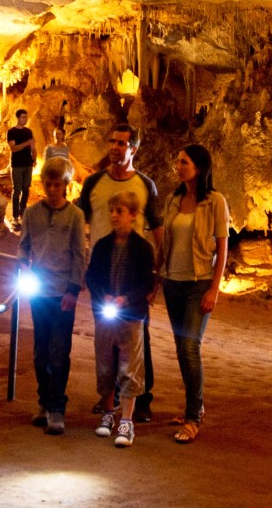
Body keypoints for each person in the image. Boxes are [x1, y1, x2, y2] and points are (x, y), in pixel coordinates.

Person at [77, 123, 163, 423]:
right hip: (103, 272)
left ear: (134, 149)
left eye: (122, 143)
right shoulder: (94, 184)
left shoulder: (145, 185)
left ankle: (141, 399)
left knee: (139, 341)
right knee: (105, 340)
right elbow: (80, 221)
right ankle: (109, 400)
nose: (114, 147)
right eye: (112, 142)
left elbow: (158, 226)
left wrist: (157, 276)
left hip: (133, 274)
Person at [157, 144, 231, 443]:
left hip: (199, 282)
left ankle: (192, 417)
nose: (178, 166)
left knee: (190, 347)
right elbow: (165, 243)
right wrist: (155, 275)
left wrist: (215, 287)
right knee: (180, 347)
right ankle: (193, 406)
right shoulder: (174, 200)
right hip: (172, 281)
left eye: (184, 162)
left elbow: (223, 247)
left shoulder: (215, 201)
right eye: (177, 161)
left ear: (199, 168)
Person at [18, 157, 85, 435]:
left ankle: (57, 407)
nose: (53, 189)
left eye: (58, 185)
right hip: (40, 291)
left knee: (59, 351)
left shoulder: (75, 216)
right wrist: (23, 263)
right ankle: (44, 402)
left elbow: (80, 255)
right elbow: (24, 246)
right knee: (40, 351)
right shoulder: (32, 214)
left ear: (66, 186)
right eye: (48, 184)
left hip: (62, 293)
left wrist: (73, 290)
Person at [86, 190, 157, 448]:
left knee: (130, 367)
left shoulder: (142, 248)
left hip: (130, 316)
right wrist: (103, 296)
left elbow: (147, 282)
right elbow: (92, 276)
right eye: (112, 211)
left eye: (120, 211)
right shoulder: (103, 245)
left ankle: (126, 420)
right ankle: (108, 411)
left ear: (133, 214)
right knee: (105, 365)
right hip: (105, 315)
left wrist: (126, 299)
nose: (115, 216)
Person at [7, 109, 37, 221]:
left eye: (26, 117)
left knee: (26, 189)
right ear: (18, 118)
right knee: (17, 190)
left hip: (28, 164)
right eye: (23, 117)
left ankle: (22, 211)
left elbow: (33, 148)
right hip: (17, 165)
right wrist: (27, 143)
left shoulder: (29, 132)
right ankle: (15, 215)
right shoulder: (11, 132)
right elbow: (14, 148)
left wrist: (34, 159)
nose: (25, 119)